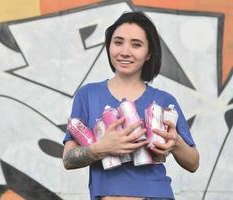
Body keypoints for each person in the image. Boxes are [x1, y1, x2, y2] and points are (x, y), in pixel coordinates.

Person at [62, 11, 199, 200]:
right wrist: (102, 147)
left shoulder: (164, 100)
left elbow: (193, 163)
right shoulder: (88, 95)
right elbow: (68, 159)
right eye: (118, 42)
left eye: (136, 44)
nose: (125, 51)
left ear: (149, 52)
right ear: (109, 46)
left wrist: (175, 142)